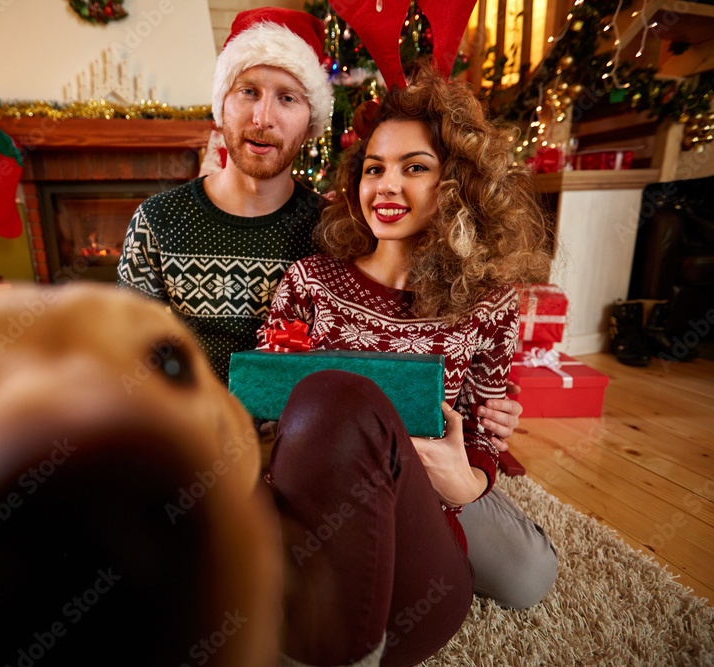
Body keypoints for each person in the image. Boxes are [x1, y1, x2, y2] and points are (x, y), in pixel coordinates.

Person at [118, 5, 554, 614]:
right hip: (261, 456)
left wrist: (476, 466)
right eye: (247, 91)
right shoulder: (272, 259)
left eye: (288, 98)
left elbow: (480, 413)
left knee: (521, 573)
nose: (264, 117)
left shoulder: (326, 230)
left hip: (413, 476)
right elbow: (146, 365)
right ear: (223, 102)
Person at [261, 61, 554, 666]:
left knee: (528, 575)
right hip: (318, 508)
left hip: (428, 509)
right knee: (336, 404)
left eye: (414, 167)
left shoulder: (490, 305)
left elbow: (481, 432)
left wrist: (468, 477)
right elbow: (267, 405)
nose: (385, 187)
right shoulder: (307, 284)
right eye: (374, 168)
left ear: (458, 184)